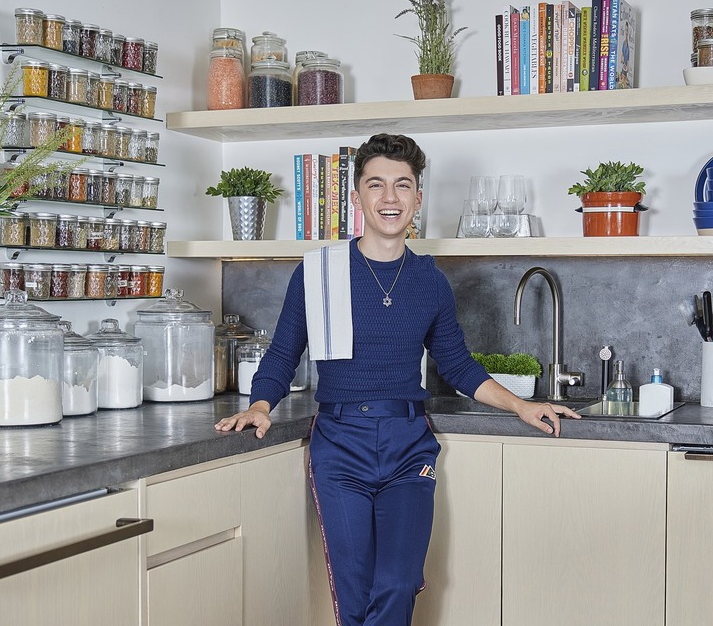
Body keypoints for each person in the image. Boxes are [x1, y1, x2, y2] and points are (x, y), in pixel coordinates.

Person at [215, 133, 580, 626]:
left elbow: (456, 364)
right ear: (357, 197)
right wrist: (261, 405)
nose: (390, 198)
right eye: (376, 185)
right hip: (340, 446)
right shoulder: (320, 271)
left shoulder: (429, 280)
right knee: (356, 590)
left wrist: (520, 405)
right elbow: (284, 352)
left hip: (409, 447)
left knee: (401, 584)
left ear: (418, 198)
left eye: (402, 185)